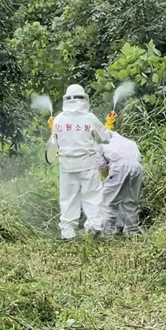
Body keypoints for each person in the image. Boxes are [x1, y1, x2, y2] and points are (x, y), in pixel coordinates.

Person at [51, 84, 111, 240]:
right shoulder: (89, 118)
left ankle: (68, 233)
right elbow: (104, 137)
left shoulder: (58, 119)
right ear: (84, 98)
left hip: (66, 165)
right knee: (92, 195)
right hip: (88, 165)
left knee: (68, 198)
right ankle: (94, 227)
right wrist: (109, 125)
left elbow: (53, 143)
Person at [96, 130, 143, 236]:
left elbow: (101, 166)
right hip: (137, 168)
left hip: (119, 168)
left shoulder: (99, 143)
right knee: (130, 201)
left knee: (107, 202)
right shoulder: (129, 142)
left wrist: (106, 178)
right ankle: (132, 231)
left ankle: (108, 233)